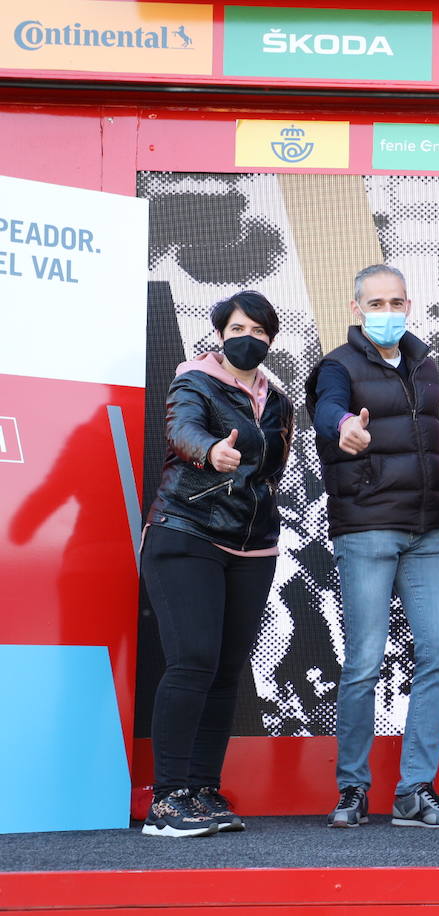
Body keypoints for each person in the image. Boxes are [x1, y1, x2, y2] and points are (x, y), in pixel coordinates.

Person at [307, 265, 439, 829]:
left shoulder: (424, 363)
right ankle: (352, 788)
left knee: (438, 656)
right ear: (355, 309)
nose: (387, 311)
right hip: (369, 527)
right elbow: (326, 409)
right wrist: (344, 425)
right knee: (365, 662)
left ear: (410, 304)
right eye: (376, 302)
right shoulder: (337, 366)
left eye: (396, 300)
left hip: (427, 531)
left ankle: (415, 791)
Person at [141, 291, 293, 837]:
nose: (245, 337)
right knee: (193, 661)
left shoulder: (277, 400)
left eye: (256, 329)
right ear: (220, 334)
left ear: (269, 339)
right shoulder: (194, 382)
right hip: (187, 532)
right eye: (235, 327)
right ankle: (167, 800)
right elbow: (181, 432)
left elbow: (272, 469)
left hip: (253, 545)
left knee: (227, 669)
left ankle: (201, 790)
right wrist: (211, 450)